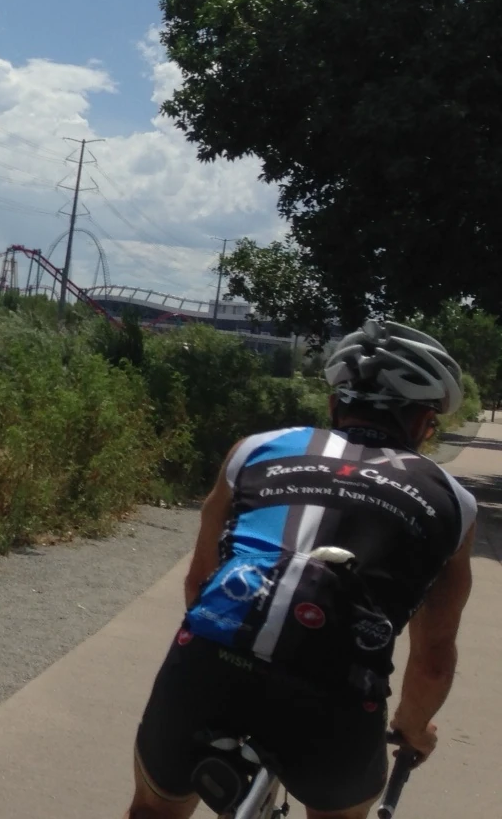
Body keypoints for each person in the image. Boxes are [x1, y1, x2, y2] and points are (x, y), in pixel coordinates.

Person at [124, 320, 477, 819]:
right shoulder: (453, 502)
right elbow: (434, 658)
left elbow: (199, 583)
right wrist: (414, 728)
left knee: (153, 811)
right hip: (336, 697)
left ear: (334, 405)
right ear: (423, 424)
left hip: (208, 663)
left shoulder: (255, 449)